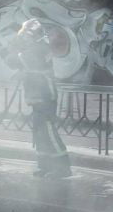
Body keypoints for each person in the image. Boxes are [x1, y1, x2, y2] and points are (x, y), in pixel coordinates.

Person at [5, 18, 72, 179]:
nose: (24, 39)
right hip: (37, 96)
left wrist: (12, 49)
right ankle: (45, 166)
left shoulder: (39, 48)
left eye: (26, 36)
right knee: (39, 132)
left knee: (48, 131)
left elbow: (13, 61)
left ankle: (63, 167)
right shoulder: (37, 46)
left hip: (44, 96)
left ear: (33, 35)